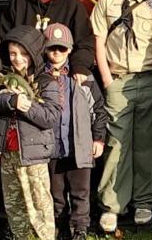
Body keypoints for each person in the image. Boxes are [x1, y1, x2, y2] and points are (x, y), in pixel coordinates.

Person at [92, 0, 152, 231]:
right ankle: (112, 205)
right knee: (116, 145)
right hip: (118, 80)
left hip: (149, 80)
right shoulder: (107, 2)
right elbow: (98, 42)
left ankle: (144, 201)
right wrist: (106, 80)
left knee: (148, 145)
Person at [0, 25, 62, 240]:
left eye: (23, 53)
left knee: (39, 205)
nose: (17, 59)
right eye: (13, 53)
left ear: (34, 54)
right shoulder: (4, 78)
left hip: (33, 155)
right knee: (14, 204)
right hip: (8, 153)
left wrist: (27, 106)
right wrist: (10, 100)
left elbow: (50, 117)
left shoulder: (46, 82)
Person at [43, 24, 107, 240]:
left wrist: (98, 138)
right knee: (56, 192)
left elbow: (99, 108)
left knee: (81, 192)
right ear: (45, 49)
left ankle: (80, 227)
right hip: (52, 146)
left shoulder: (83, 77)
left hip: (79, 145)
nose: (56, 53)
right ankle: (59, 225)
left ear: (70, 49)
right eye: (52, 48)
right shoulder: (39, 78)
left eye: (61, 49)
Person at [2, 0, 96, 81]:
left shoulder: (72, 5)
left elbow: (85, 42)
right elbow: (4, 37)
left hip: (60, 74)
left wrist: (80, 66)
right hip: (24, 73)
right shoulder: (19, 2)